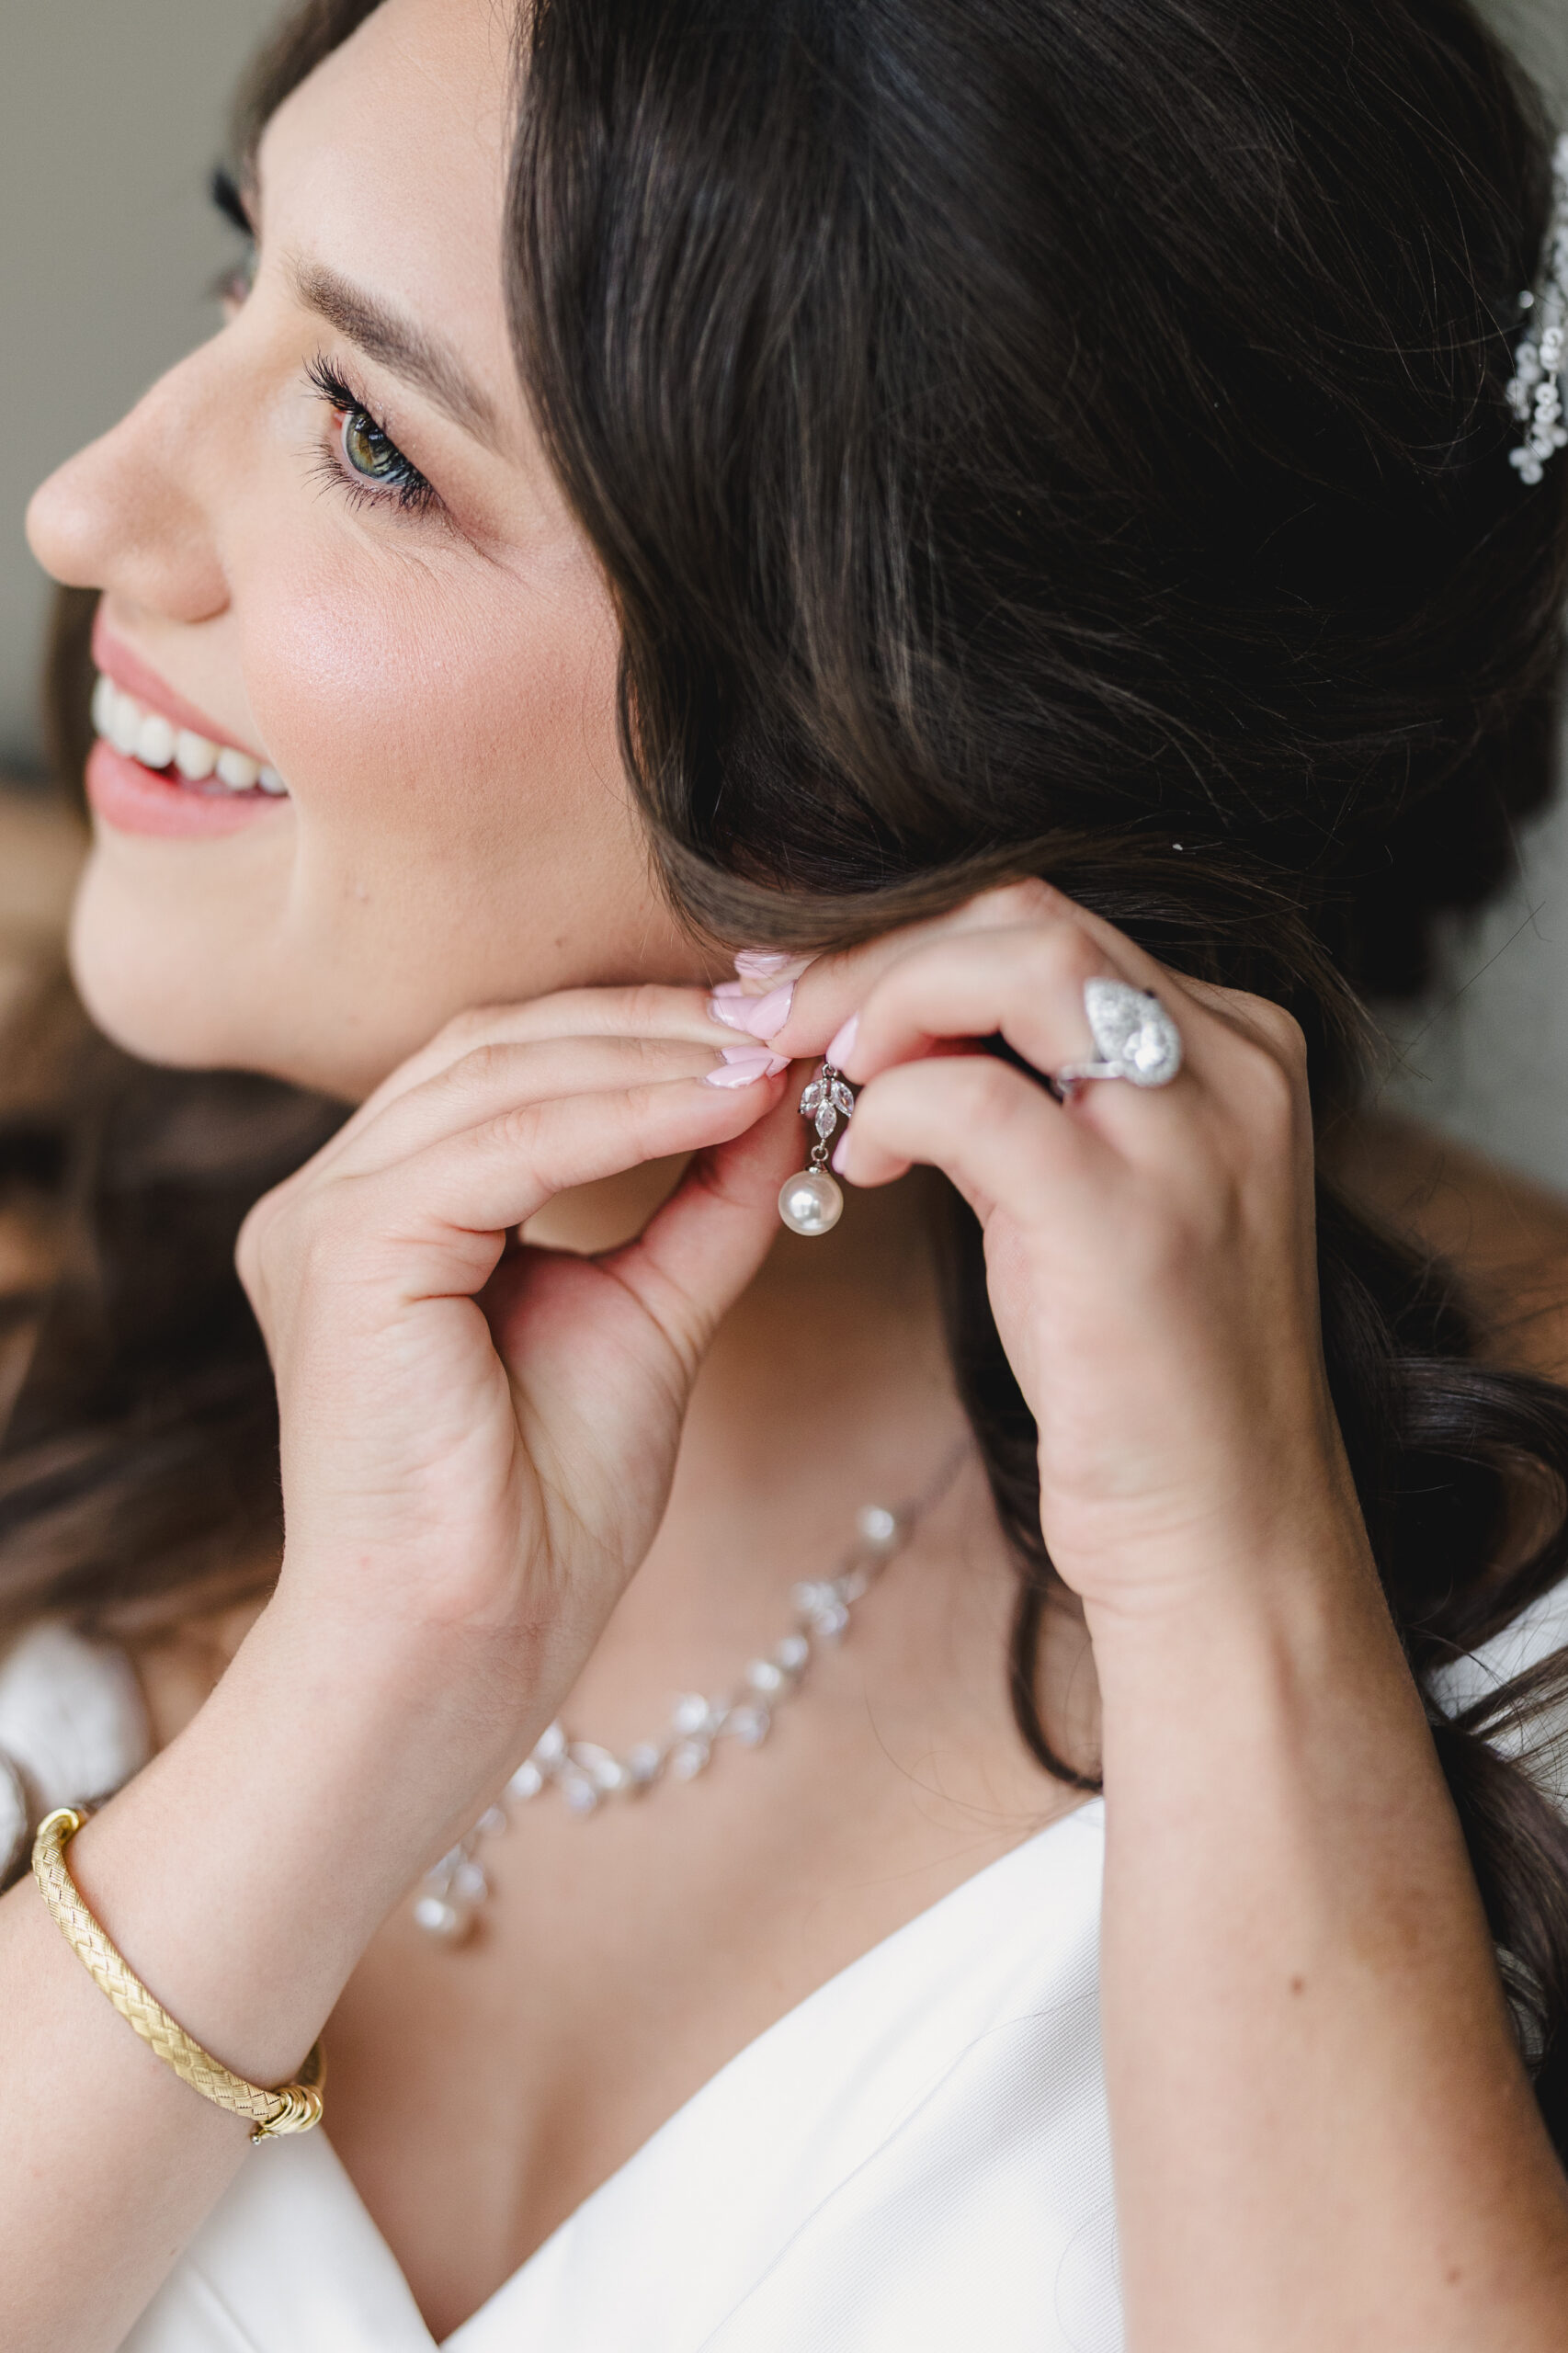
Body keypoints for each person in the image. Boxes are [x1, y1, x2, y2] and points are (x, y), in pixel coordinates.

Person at [6, 0, 1568, 2344]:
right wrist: (353, 1700)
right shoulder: (37, 1228)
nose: (84, 505)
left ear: (887, 742)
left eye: (362, 437)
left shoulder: (1477, 1676)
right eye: (245, 280)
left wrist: (1232, 1587)